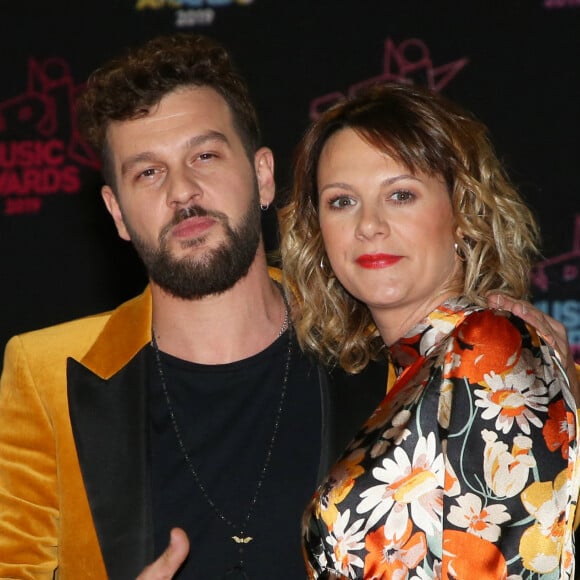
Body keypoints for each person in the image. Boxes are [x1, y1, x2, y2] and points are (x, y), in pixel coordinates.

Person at [0, 34, 573, 580]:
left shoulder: (385, 350)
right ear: (117, 212)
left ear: (263, 175)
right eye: (147, 172)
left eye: (205, 155)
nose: (182, 190)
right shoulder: (45, 375)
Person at [278, 82, 580, 579]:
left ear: (460, 212)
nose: (369, 225)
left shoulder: (486, 344)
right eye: (341, 202)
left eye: (400, 195)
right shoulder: (409, 371)